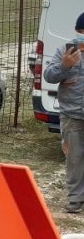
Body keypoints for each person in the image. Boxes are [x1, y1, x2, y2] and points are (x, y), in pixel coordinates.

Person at [44, 12, 84, 212]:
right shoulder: (65, 51)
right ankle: (76, 200)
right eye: (81, 31)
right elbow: (49, 76)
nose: (83, 35)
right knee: (74, 158)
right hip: (72, 114)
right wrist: (64, 66)